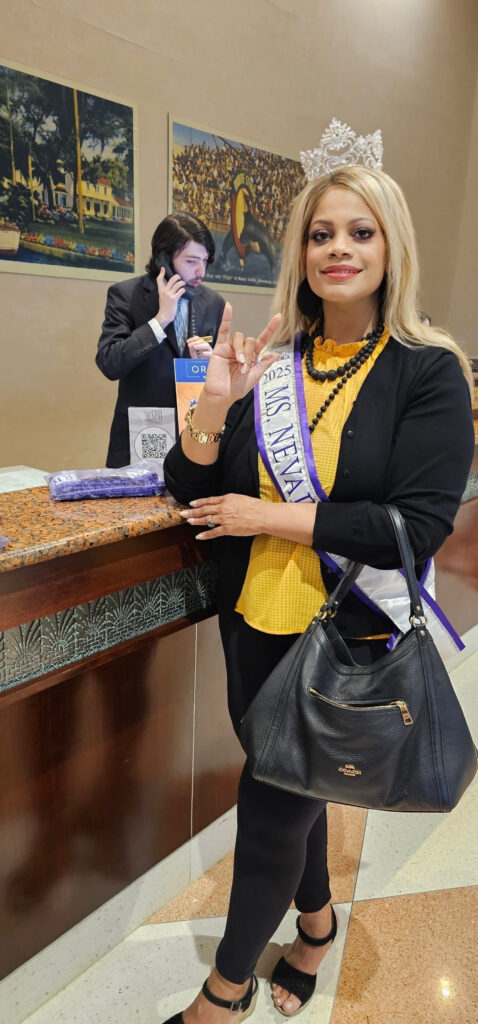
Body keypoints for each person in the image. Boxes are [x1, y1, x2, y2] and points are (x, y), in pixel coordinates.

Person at [163, 164, 474, 1022]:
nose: (339, 249)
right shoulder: (275, 365)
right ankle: (316, 920)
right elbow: (190, 487)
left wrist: (268, 513)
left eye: (360, 232)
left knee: (268, 814)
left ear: (391, 247)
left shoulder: (428, 370)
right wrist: (214, 406)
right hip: (252, 622)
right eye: (320, 233)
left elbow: (415, 525)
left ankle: (223, 993)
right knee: (287, 776)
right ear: (300, 252)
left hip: (347, 630)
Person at [96, 211, 225, 467]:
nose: (201, 271)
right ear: (164, 258)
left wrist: (212, 361)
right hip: (142, 430)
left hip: (194, 432)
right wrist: (160, 321)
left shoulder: (213, 302)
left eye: (205, 261)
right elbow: (109, 363)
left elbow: (220, 376)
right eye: (191, 261)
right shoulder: (125, 295)